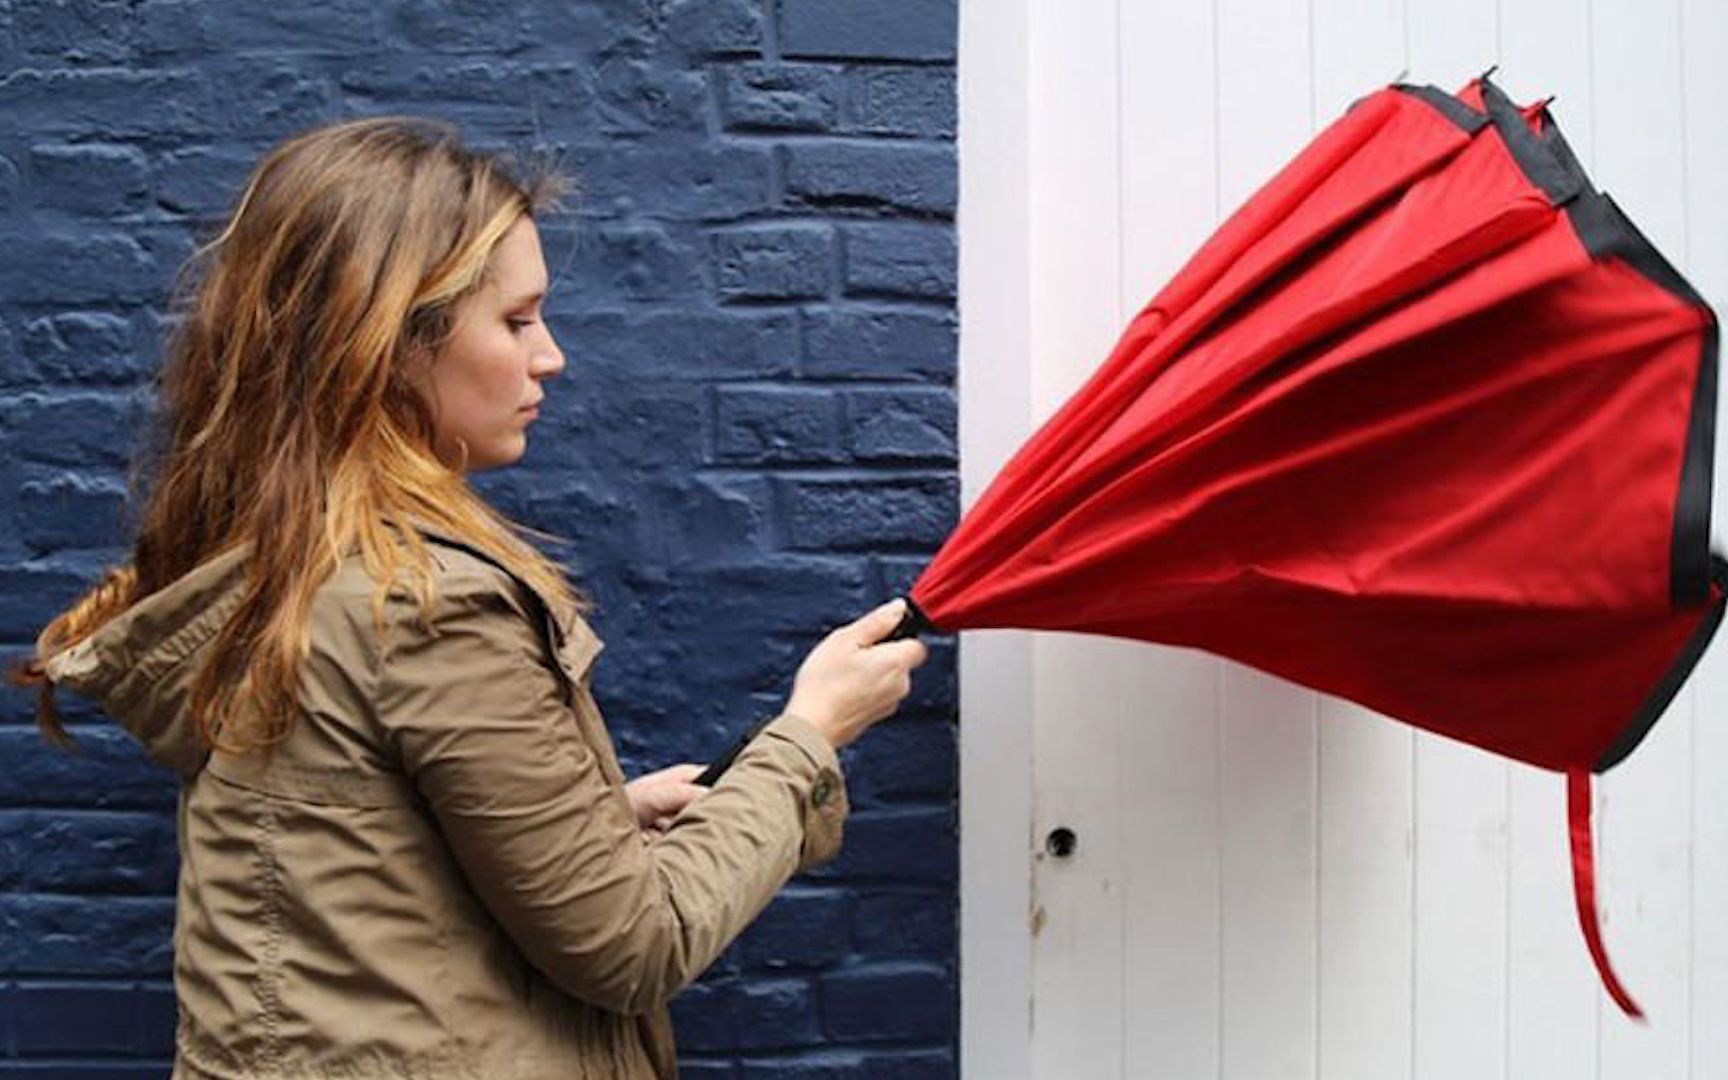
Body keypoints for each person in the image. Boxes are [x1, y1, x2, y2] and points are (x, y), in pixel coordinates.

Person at [5, 116, 929, 1079]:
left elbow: (354, 846)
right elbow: (636, 946)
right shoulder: (422, 604)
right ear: (392, 339)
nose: (551, 357)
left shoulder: (281, 560)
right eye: (518, 320)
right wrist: (809, 737)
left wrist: (594, 822)